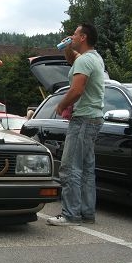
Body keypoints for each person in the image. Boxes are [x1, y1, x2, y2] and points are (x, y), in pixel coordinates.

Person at [47, 23, 105, 226]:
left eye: (75, 34)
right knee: (87, 168)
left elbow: (77, 90)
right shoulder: (93, 58)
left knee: (70, 167)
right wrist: (67, 49)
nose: (72, 35)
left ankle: (70, 214)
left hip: (82, 120)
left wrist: (61, 105)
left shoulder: (86, 61)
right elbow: (75, 63)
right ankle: (87, 213)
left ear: (83, 37)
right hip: (94, 119)